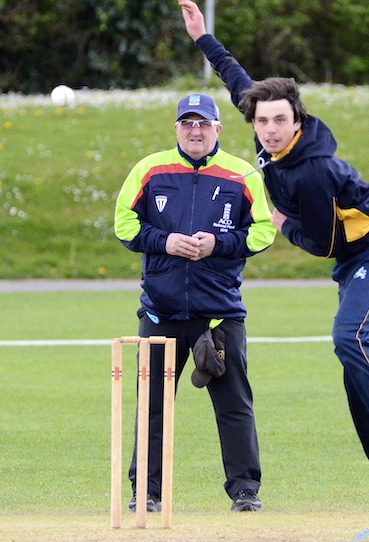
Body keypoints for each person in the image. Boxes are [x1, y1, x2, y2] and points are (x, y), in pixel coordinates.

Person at [179, 0, 369, 539]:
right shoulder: (264, 127)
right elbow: (238, 79)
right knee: (356, 375)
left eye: (279, 121)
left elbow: (323, 242)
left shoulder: (312, 171)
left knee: (350, 340)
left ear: (297, 122)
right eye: (263, 121)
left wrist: (279, 221)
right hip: (354, 265)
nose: (269, 130)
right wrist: (204, 39)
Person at [114, 93, 276, 512]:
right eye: (187, 123)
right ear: (177, 129)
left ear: (218, 129)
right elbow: (124, 223)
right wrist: (164, 240)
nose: (195, 130)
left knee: (234, 405)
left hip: (218, 315)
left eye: (203, 123)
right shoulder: (150, 169)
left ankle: (245, 491)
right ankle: (146, 493)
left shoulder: (241, 175)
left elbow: (263, 231)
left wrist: (218, 244)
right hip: (160, 313)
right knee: (151, 408)